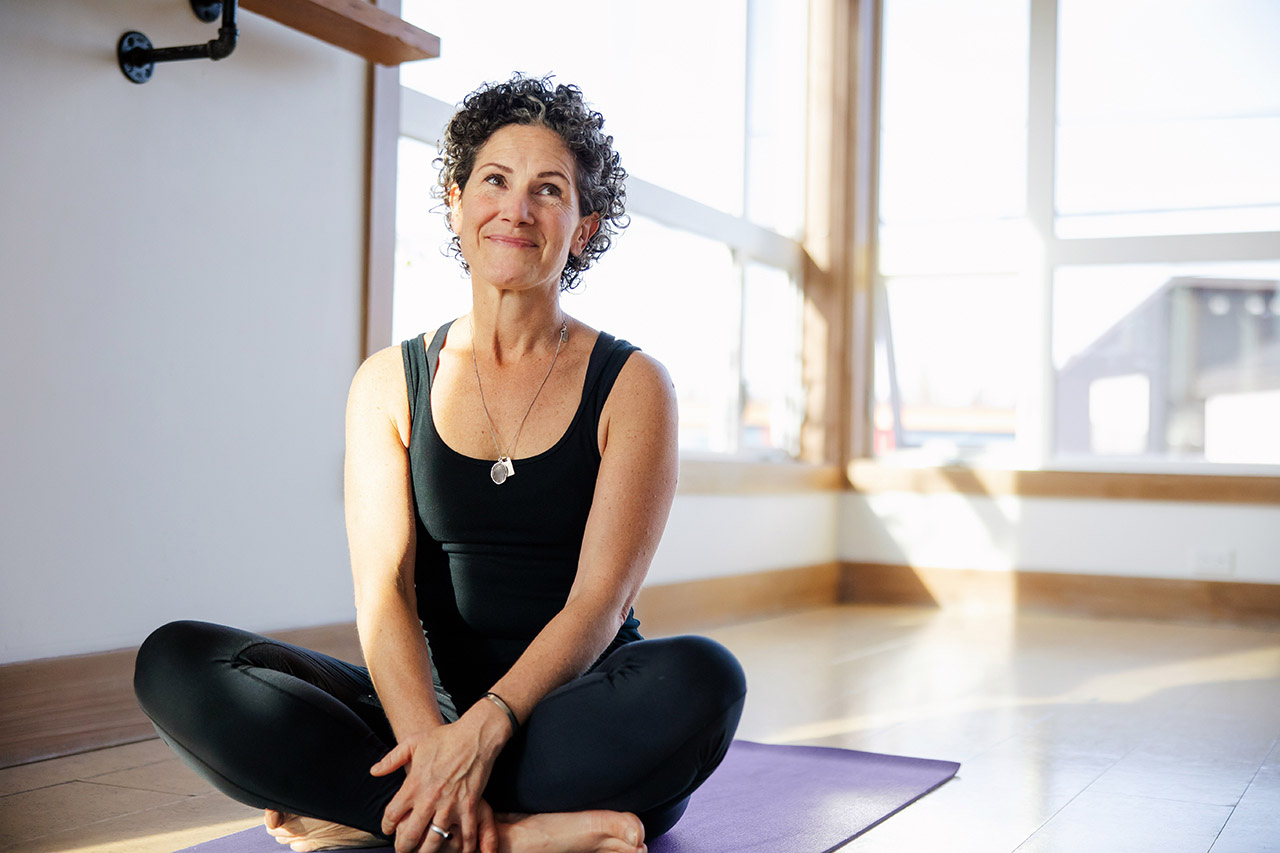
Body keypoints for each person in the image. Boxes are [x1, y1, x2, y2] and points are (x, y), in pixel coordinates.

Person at [133, 75, 747, 853]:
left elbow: (600, 602)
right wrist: (432, 741)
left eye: (548, 190)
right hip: (421, 706)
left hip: (569, 710)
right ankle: (509, 834)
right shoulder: (389, 381)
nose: (516, 210)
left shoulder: (633, 385)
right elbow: (382, 591)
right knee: (178, 661)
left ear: (584, 227)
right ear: (457, 200)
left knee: (704, 680)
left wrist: (486, 730)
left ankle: (380, 813)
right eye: (494, 180)